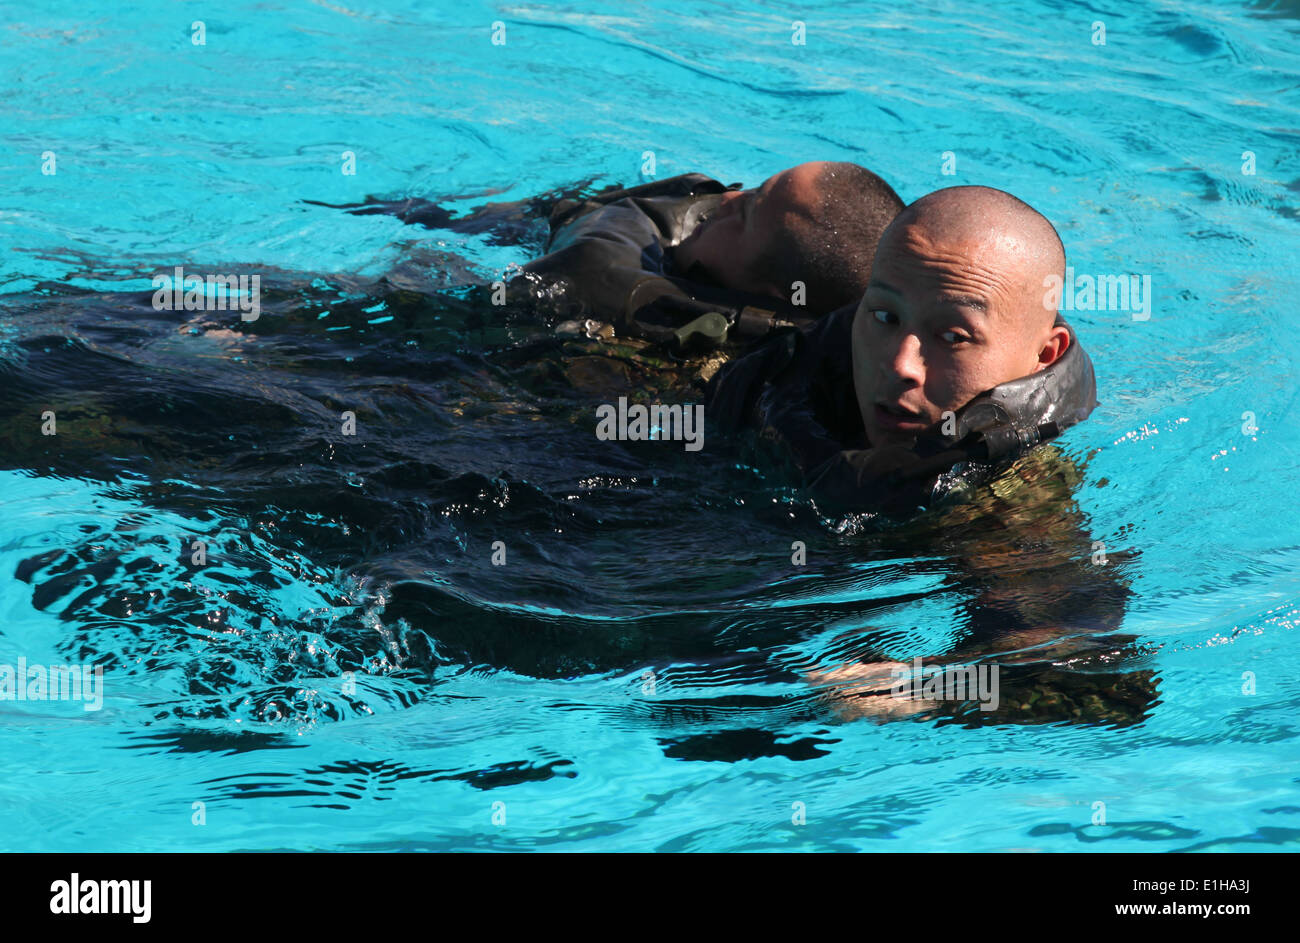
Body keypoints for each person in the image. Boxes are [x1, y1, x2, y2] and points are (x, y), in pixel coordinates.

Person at [705, 184, 1099, 517]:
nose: (900, 366)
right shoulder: (771, 377)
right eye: (885, 316)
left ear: (1044, 355)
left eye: (952, 338)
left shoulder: (1015, 507)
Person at [311, 162, 905, 352]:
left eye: (747, 213)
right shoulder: (671, 221)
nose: (728, 198)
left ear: (775, 295)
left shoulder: (703, 362)